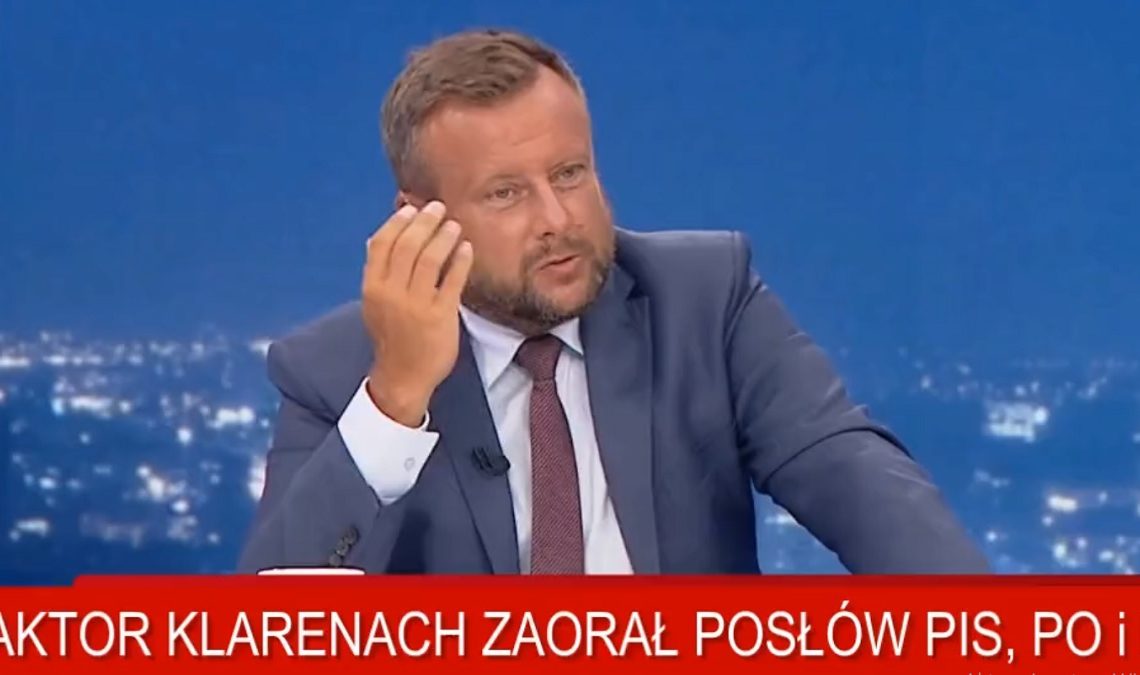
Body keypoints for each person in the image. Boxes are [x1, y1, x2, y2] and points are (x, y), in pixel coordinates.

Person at [238, 28, 989, 575]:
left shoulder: (705, 301)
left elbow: (854, 477)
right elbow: (277, 627)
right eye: (506, 194)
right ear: (419, 219)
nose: (557, 219)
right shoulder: (334, 371)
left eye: (569, 174)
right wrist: (397, 398)